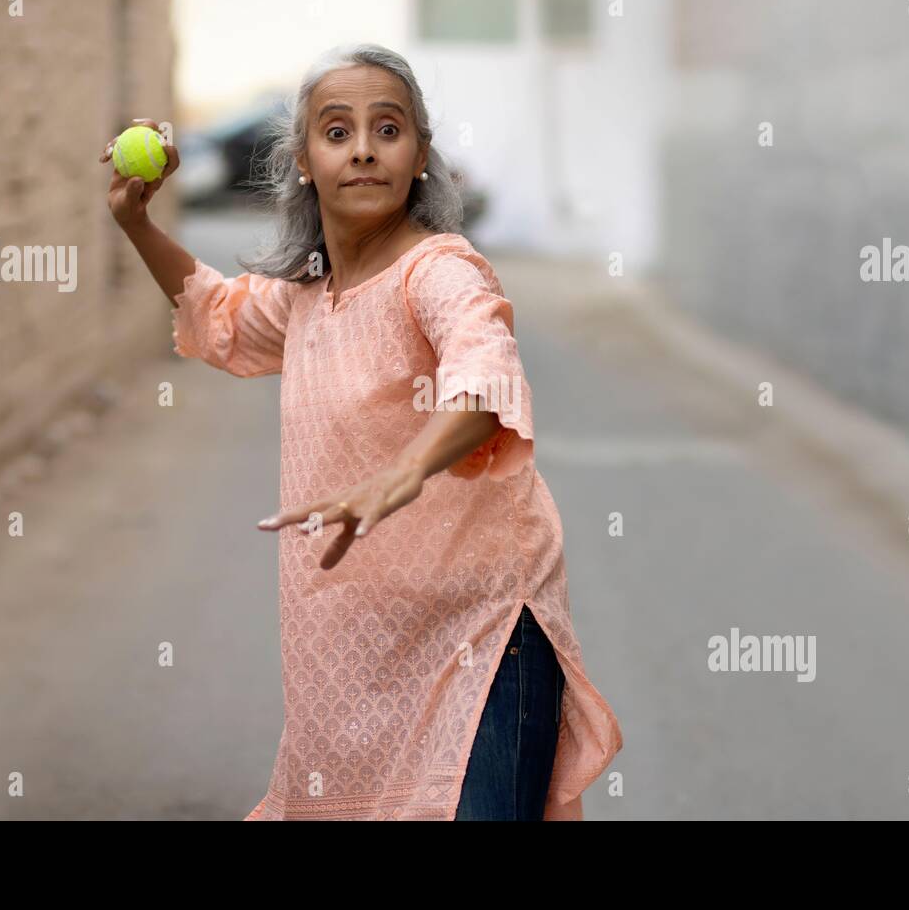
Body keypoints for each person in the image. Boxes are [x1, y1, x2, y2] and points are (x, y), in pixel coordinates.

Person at [101, 43, 622, 820]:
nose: (365, 150)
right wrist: (134, 220)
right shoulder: (306, 300)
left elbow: (487, 373)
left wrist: (405, 469)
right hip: (352, 661)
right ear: (305, 161)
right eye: (337, 131)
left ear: (419, 157)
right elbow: (218, 316)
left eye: (388, 129)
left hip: (480, 640)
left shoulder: (440, 270)